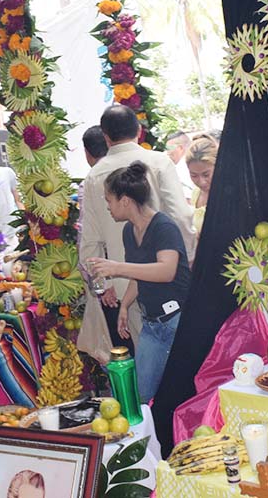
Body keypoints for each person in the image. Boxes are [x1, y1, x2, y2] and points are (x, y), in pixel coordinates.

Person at [76, 105, 194, 365]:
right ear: (139, 131)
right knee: (182, 359)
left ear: (106, 137)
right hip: (170, 279)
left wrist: (102, 283)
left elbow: (90, 240)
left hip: (123, 287)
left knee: (148, 359)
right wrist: (188, 259)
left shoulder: (94, 176)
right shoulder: (160, 161)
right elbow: (182, 216)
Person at [87, 162, 192, 403]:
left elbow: (166, 271)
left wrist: (117, 268)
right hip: (152, 324)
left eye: (109, 200)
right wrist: (125, 306)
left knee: (181, 392)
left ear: (124, 200)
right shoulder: (129, 230)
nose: (107, 206)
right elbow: (140, 274)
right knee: (141, 394)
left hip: (178, 321)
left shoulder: (164, 226)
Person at [185, 135, 219, 241]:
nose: (201, 182)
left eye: (206, 175)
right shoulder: (196, 193)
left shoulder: (225, 196)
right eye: (194, 175)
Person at [165, 130, 194, 201]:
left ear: (180, 148)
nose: (167, 153)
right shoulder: (193, 163)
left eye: (168, 149)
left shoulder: (182, 169)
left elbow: (187, 198)